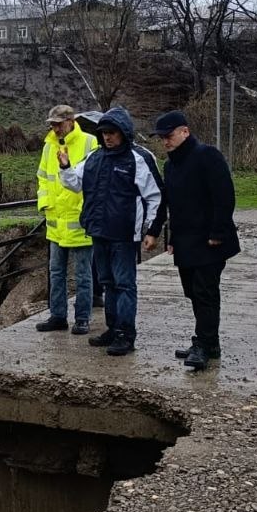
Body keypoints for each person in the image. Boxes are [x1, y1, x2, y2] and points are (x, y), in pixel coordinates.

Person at [58, 107, 162, 356]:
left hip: (125, 234)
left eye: (112, 132)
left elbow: (155, 196)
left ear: (123, 132)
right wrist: (65, 167)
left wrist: (152, 230)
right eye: (104, 132)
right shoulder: (94, 158)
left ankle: (126, 334)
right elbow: (74, 183)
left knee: (125, 284)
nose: (107, 137)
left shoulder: (139, 158)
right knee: (107, 283)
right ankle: (113, 329)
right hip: (98, 231)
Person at [150, 110, 240, 370]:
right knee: (192, 292)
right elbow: (173, 204)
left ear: (184, 131)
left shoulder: (206, 155)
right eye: (162, 137)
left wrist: (217, 232)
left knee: (205, 292)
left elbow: (225, 196)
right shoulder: (170, 164)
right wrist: (171, 237)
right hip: (186, 241)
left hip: (210, 240)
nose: (165, 141)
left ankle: (204, 343)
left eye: (169, 135)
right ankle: (208, 342)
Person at [35, 104, 100, 335]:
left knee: (83, 274)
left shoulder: (90, 142)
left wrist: (87, 209)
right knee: (56, 272)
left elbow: (95, 179)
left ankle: (82, 318)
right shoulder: (48, 145)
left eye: (58, 124)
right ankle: (58, 316)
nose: (54, 128)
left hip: (78, 219)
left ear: (71, 121)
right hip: (55, 219)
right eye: (52, 124)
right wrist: (44, 203)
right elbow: (42, 177)